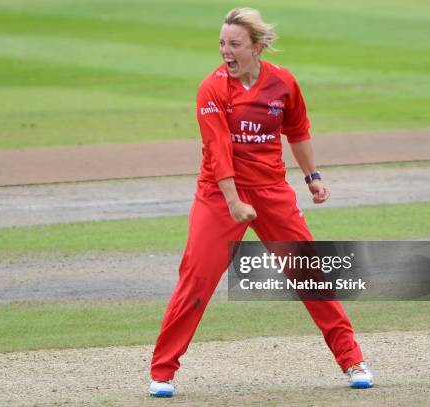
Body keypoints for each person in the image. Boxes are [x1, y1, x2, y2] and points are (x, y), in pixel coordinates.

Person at [148, 7, 374, 398]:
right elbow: (217, 151)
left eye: (234, 44)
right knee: (196, 280)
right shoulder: (212, 88)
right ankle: (162, 372)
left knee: (309, 272)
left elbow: (298, 131)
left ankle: (353, 359)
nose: (225, 51)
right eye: (221, 43)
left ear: (257, 47)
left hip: (272, 192)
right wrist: (234, 201)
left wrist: (313, 178)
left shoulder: (282, 82)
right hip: (218, 196)